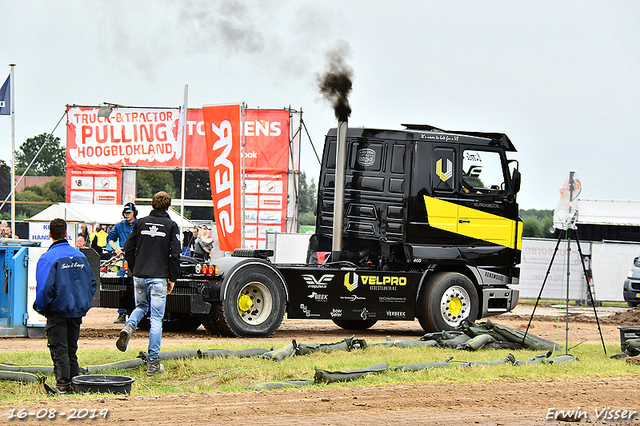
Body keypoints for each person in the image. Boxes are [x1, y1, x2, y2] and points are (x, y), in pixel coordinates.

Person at [117, 191, 180, 376]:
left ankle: (130, 325)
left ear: (152, 204)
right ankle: (153, 362)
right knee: (156, 320)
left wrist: (135, 268)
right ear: (168, 206)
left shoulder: (140, 222)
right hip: (159, 277)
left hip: (139, 275)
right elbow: (175, 254)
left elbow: (128, 248)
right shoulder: (171, 225)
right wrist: (172, 278)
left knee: (141, 306)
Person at [33, 218, 97, 394]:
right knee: (72, 349)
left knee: (59, 349)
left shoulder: (48, 257)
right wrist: (82, 304)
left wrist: (41, 308)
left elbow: (45, 289)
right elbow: (92, 283)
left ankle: (62, 385)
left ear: (50, 234)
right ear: (66, 234)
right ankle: (75, 383)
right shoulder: (80, 255)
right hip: (76, 312)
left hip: (57, 312)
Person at [107, 202, 138, 324]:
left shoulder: (140, 225)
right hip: (125, 259)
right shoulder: (119, 226)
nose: (127, 215)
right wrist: (116, 248)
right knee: (122, 285)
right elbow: (109, 239)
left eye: (129, 212)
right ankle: (122, 313)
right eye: (125, 213)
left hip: (139, 259)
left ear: (134, 213)